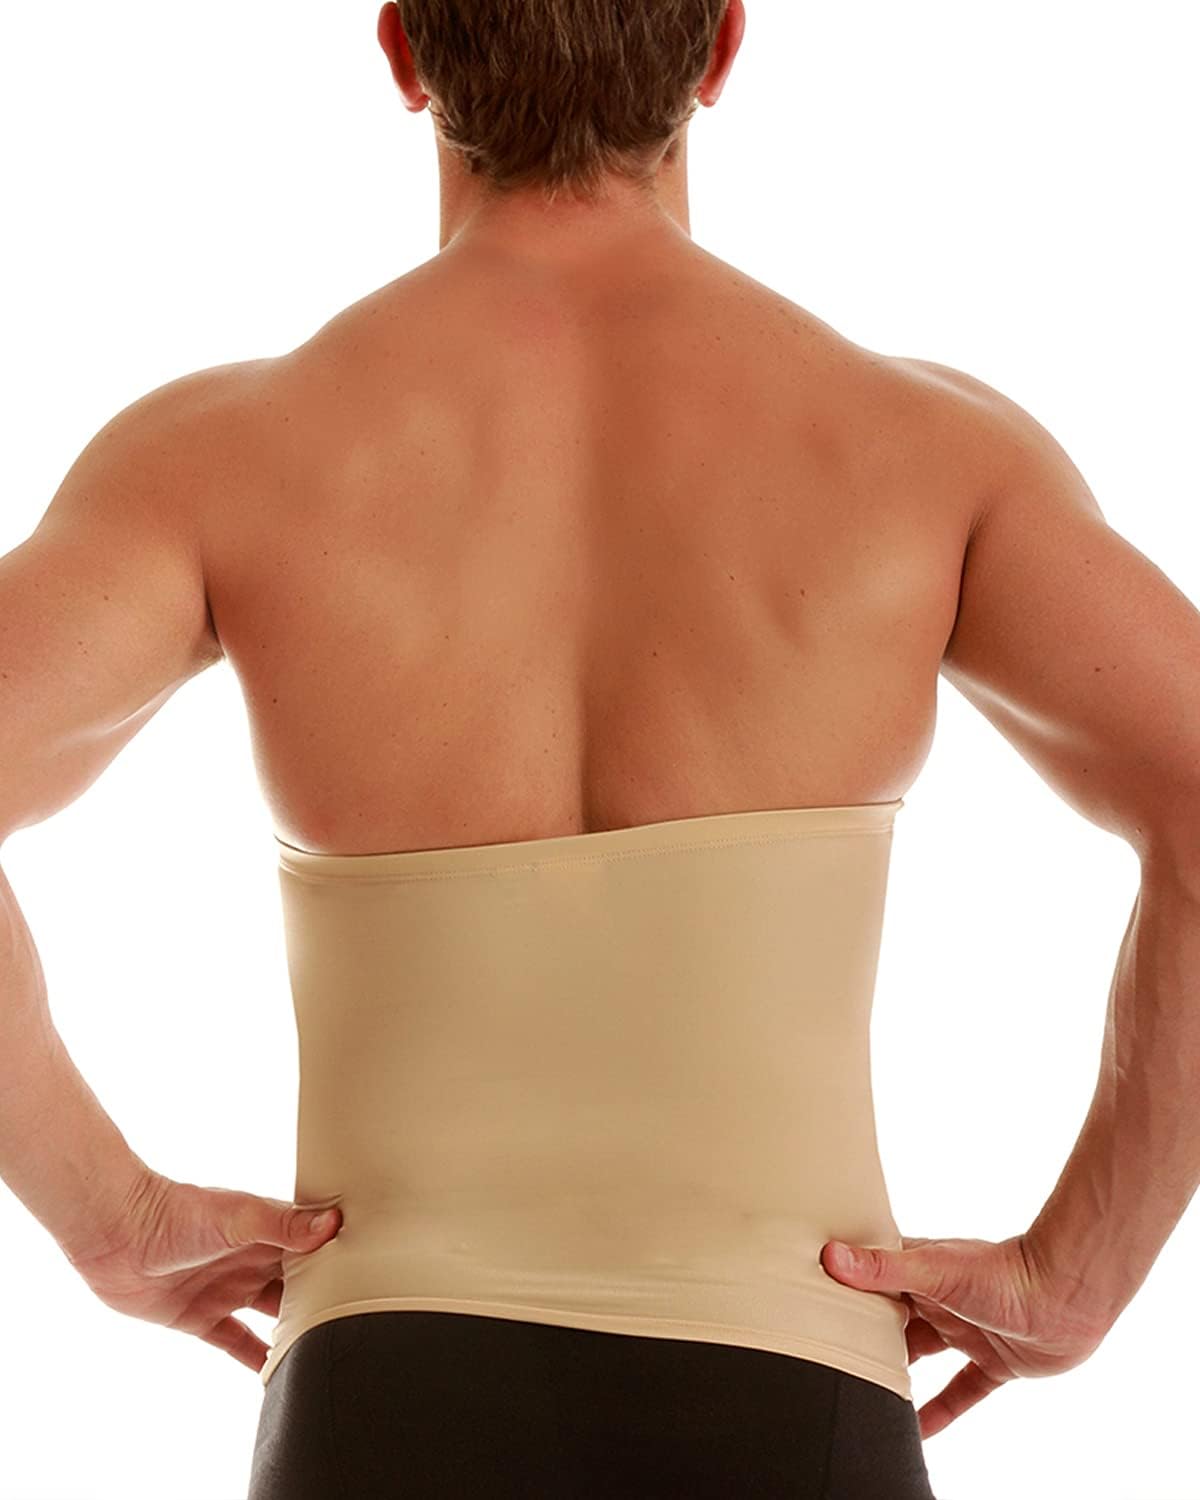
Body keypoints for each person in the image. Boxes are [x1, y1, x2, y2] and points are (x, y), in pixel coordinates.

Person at [1, 1, 1197, 1496]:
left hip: (380, 1395)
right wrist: (1083, 1267)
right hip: (800, 1398)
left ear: (403, 51)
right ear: (721, 48)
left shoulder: (227, 453)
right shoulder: (926, 452)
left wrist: (106, 1216)